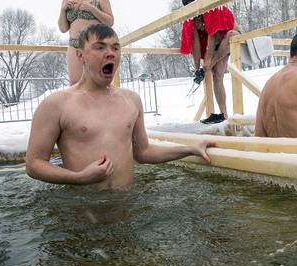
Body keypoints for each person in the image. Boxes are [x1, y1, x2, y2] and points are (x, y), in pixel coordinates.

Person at [26, 24, 216, 189]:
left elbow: (143, 152)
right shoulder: (57, 104)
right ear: (80, 55)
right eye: (99, 47)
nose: (110, 53)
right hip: (83, 209)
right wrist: (78, 178)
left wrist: (190, 149)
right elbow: (34, 164)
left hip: (126, 205)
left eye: (115, 48)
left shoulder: (131, 100)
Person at [179, 0, 239, 124]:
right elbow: (195, 44)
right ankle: (224, 114)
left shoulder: (210, 8)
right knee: (217, 76)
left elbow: (212, 37)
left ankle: (224, 114)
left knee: (232, 34)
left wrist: (208, 63)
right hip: (217, 45)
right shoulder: (192, 20)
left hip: (228, 38)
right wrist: (197, 68)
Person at [58, 0, 114, 85]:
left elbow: (110, 21)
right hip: (74, 47)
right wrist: (63, 10)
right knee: (75, 86)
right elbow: (63, 28)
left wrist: (92, 9)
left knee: (101, 84)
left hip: (96, 46)